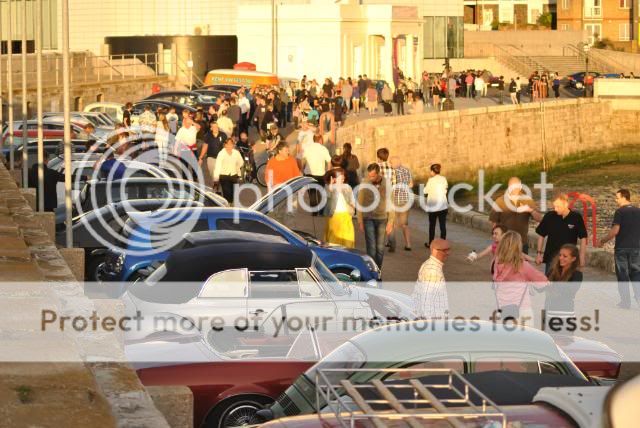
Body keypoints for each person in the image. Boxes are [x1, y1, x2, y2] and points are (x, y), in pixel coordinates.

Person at [493, 231, 549, 324]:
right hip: (522, 311)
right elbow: (543, 282)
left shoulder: (497, 262)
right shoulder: (523, 265)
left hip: (503, 311)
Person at [599, 189, 640, 309]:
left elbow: (615, 230)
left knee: (622, 275)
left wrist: (603, 240)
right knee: (636, 274)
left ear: (624, 197)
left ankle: (625, 303)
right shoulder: (638, 211)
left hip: (622, 248)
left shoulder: (620, 212)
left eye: (617, 197)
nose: (616, 200)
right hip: (636, 248)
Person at [535, 193, 588, 275]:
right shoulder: (549, 216)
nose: (555, 209)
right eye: (554, 206)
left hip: (569, 260)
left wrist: (581, 257)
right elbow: (541, 235)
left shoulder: (576, 217)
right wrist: (539, 254)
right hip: (551, 259)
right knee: (550, 285)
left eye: (558, 206)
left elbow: (583, 238)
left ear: (566, 204)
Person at [489, 177, 542, 254]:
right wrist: (496, 240)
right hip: (505, 243)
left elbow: (539, 219)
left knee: (522, 265)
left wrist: (531, 210)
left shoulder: (527, 200)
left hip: (521, 243)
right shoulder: (500, 201)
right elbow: (494, 223)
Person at [357, 163, 395, 269]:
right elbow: (359, 202)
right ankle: (372, 270)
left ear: (378, 173)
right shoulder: (365, 183)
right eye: (369, 175)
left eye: (373, 176)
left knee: (380, 247)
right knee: (371, 247)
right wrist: (360, 221)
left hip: (382, 218)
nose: (371, 178)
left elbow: (391, 203)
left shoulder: (387, 183)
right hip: (368, 218)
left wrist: (391, 222)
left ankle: (378, 270)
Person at [543, 244, 583, 332]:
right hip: (549, 312)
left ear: (573, 259)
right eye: (560, 255)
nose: (561, 258)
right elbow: (541, 287)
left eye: (565, 256)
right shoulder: (552, 271)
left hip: (565, 315)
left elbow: (569, 291)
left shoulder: (577, 275)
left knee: (564, 344)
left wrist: (550, 286)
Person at [412, 238, 450, 319]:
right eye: (445, 250)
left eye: (449, 249)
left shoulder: (430, 264)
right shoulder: (432, 271)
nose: (448, 253)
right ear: (435, 251)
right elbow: (426, 303)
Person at [324, 168, 355, 248]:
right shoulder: (329, 187)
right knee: (334, 240)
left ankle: (347, 256)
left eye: (343, 176)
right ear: (334, 178)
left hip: (346, 215)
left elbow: (352, 199)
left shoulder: (347, 187)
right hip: (334, 216)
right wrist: (330, 188)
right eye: (340, 176)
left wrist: (352, 207)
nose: (342, 178)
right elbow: (326, 200)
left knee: (348, 239)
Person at [301, 134, 331, 215]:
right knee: (320, 192)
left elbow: (303, 160)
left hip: (309, 174)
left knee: (312, 192)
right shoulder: (323, 148)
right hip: (321, 174)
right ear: (320, 140)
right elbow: (329, 162)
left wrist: (302, 170)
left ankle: (314, 211)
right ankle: (321, 211)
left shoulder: (307, 148)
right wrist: (328, 172)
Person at [389, 156, 413, 251]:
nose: (390, 165)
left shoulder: (393, 172)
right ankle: (408, 244)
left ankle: (391, 244)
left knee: (392, 222)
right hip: (405, 201)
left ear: (394, 163)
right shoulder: (407, 170)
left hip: (394, 200)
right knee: (405, 224)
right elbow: (411, 184)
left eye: (391, 163)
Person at [423, 164, 448, 248]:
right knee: (442, 226)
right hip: (443, 206)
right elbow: (445, 189)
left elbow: (425, 191)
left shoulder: (431, 180)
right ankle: (443, 244)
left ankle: (431, 243)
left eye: (431, 171)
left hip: (433, 207)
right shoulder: (443, 179)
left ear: (433, 171)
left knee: (432, 226)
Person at [214, 138, 244, 203]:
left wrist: (237, 166)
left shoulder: (236, 153)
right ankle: (228, 206)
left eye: (231, 144)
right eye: (228, 144)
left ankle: (231, 204)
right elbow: (217, 166)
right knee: (227, 193)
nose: (230, 146)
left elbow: (241, 162)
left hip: (234, 175)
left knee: (234, 193)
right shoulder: (221, 153)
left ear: (233, 145)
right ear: (225, 145)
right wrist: (216, 178)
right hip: (224, 176)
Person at [198, 122, 226, 188]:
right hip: (211, 157)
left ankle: (216, 184)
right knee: (212, 172)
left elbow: (226, 146)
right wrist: (201, 157)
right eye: (214, 127)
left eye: (217, 127)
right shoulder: (208, 135)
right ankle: (215, 182)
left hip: (220, 158)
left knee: (219, 172)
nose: (216, 128)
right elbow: (205, 146)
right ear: (211, 128)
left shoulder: (223, 135)